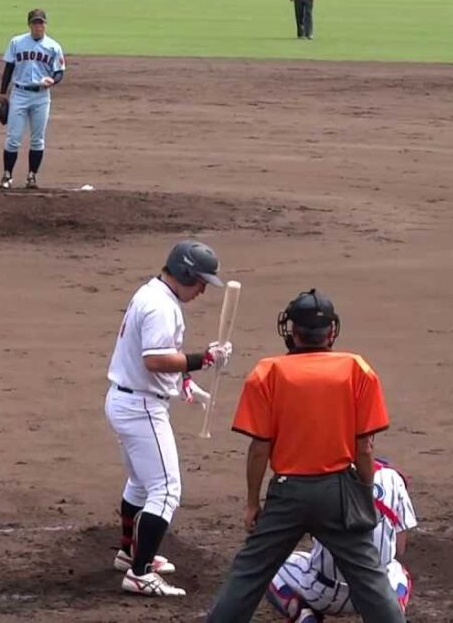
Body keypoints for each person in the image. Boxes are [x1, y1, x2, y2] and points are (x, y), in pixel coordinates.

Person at [206, 289, 405, 623]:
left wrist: (253, 502)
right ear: (331, 332)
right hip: (338, 492)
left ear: (292, 331)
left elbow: (259, 449)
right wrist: (364, 492)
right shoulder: (356, 369)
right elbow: (364, 448)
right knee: (368, 576)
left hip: (288, 493)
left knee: (250, 571)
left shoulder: (267, 372)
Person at [104, 240, 233, 597]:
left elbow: (159, 357)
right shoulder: (161, 306)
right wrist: (203, 360)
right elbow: (156, 359)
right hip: (141, 407)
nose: (204, 288)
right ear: (186, 274)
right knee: (165, 489)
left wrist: (184, 381)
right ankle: (140, 572)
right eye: (201, 281)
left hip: (128, 400)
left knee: (142, 484)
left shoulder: (154, 294)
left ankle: (129, 553)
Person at [267, 458, 417, 623]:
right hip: (377, 593)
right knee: (398, 571)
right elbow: (399, 548)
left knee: (269, 563)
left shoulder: (318, 476)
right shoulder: (393, 479)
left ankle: (302, 615)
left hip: (323, 593)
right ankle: (390, 615)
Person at [0, 8, 66, 189]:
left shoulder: (53, 46)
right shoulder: (17, 42)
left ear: (45, 24)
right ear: (29, 25)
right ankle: (7, 176)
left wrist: (53, 80)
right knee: (13, 138)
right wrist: (3, 92)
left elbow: (59, 72)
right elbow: (9, 68)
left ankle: (31, 176)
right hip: (19, 93)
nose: (38, 26)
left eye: (41, 23)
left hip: (41, 96)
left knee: (37, 139)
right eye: (35, 23)